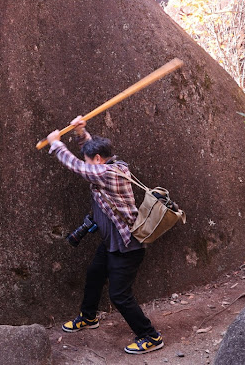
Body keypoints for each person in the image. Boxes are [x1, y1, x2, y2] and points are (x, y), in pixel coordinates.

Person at [46, 116, 163, 355]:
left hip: (126, 246)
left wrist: (56, 143)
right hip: (111, 242)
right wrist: (81, 131)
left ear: (98, 160)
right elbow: (90, 156)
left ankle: (150, 336)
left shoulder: (109, 174)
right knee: (94, 275)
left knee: (119, 295)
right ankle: (89, 317)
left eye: (90, 160)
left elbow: (78, 166)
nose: (87, 162)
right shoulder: (108, 164)